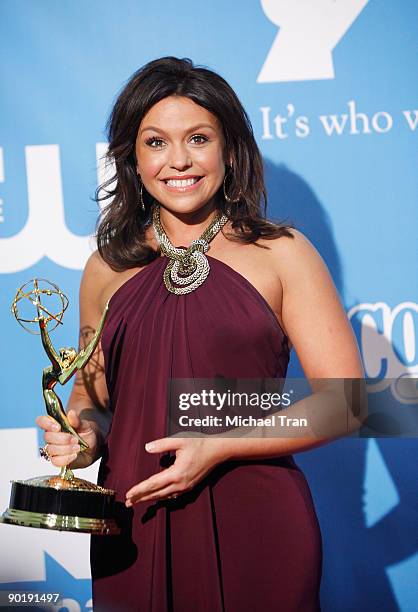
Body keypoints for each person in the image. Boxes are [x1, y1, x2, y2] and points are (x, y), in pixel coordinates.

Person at [36, 57, 364, 611]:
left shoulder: (282, 254)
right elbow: (92, 398)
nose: (179, 160)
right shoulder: (106, 267)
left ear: (229, 149)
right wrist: (81, 438)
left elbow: (348, 403)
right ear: (131, 158)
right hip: (133, 524)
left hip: (256, 521)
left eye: (198, 138)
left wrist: (218, 448)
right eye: (156, 142)